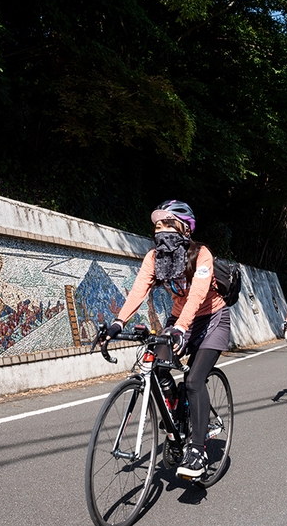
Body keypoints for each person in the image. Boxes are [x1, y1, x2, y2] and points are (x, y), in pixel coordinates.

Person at [102, 200, 230, 479]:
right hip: (178, 319)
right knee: (155, 366)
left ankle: (197, 450)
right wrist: (117, 322)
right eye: (157, 226)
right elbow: (138, 291)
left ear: (185, 228)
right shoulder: (154, 257)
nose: (161, 231)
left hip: (212, 319)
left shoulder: (201, 254)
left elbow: (197, 293)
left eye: (168, 224)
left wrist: (182, 327)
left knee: (195, 380)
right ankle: (175, 427)